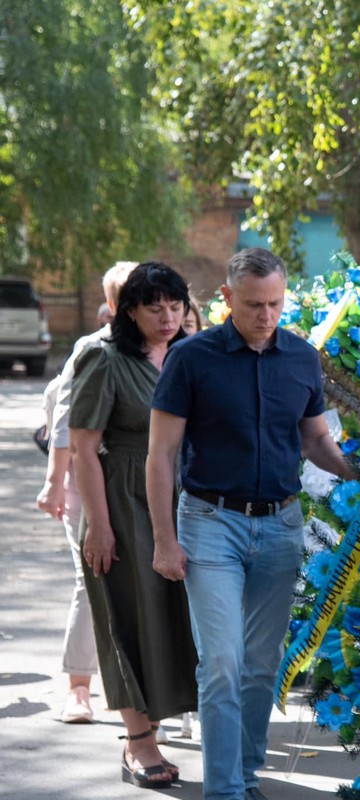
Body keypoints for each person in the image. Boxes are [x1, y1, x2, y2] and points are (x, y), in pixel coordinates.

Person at [147, 248, 360, 800]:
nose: (266, 315)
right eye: (253, 305)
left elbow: (315, 439)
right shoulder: (190, 358)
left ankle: (243, 775)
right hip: (209, 521)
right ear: (226, 298)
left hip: (279, 525)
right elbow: (161, 455)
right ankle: (224, 791)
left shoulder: (300, 357)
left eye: (275, 304)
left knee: (261, 666)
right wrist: (164, 541)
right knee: (221, 663)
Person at [69, 261, 198, 788]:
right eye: (153, 307)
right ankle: (138, 742)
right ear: (129, 311)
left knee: (172, 617)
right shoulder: (104, 359)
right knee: (128, 616)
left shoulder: (193, 354)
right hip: (122, 498)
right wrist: (99, 525)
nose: (167, 317)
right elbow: (82, 447)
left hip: (186, 497)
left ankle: (160, 724)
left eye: (175, 305)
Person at [37, 260, 136, 725]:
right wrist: (54, 483)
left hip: (135, 485)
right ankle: (78, 687)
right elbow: (66, 427)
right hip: (84, 481)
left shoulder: (165, 348)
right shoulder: (92, 348)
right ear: (114, 306)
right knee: (91, 578)